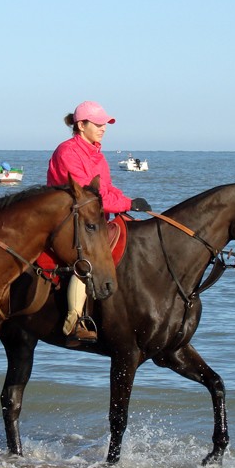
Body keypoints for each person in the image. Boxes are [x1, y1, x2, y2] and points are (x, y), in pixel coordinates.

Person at [46, 100, 151, 344]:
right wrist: (125, 204)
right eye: (99, 123)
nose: (104, 128)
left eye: (106, 124)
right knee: (89, 260)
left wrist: (128, 203)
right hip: (69, 219)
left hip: (92, 218)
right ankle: (75, 321)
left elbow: (107, 188)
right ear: (81, 125)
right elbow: (86, 194)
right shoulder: (67, 151)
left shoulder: (96, 153)